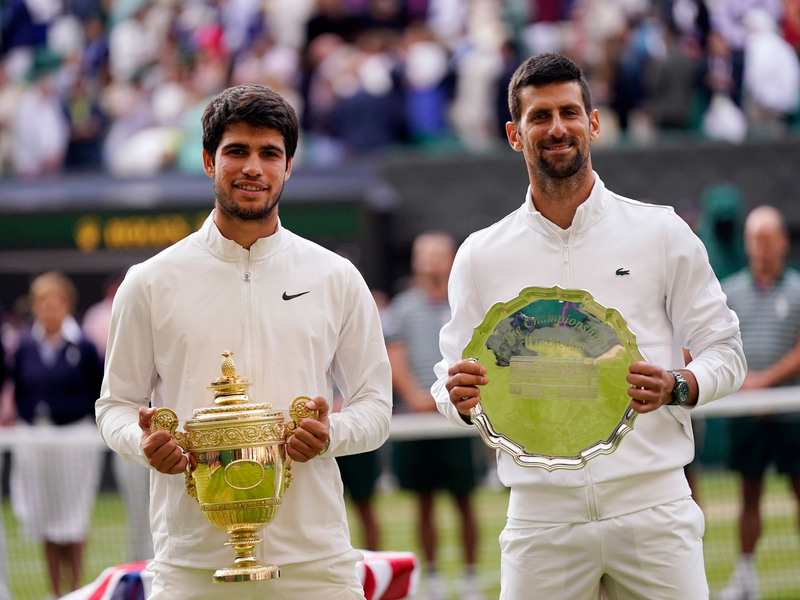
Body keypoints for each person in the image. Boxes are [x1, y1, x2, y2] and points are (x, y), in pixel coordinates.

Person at [433, 53, 746, 600]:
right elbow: (449, 379)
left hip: (653, 505)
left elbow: (726, 351)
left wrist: (678, 385)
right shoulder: (480, 255)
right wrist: (455, 398)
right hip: (541, 516)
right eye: (540, 117)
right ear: (514, 134)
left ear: (593, 123)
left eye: (569, 113)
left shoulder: (661, 231)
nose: (557, 128)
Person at [95, 83, 392, 599]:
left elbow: (375, 407)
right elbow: (115, 406)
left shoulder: (336, 276)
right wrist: (144, 445)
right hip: (192, 567)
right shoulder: (149, 281)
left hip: (315, 564)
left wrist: (329, 435)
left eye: (269, 153)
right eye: (237, 151)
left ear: (289, 166)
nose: (253, 167)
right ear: (209, 160)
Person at [387, 231, 482, 600]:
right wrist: (418, 395)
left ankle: (471, 577)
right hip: (417, 419)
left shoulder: (465, 303)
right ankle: (433, 577)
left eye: (435, 253)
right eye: (421, 253)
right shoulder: (402, 307)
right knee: (422, 501)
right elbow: (395, 353)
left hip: (458, 420)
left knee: (465, 499)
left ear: (451, 258)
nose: (428, 260)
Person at [718, 206, 800, 600]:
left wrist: (765, 383)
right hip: (746, 415)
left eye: (766, 240)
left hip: (790, 415)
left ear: (783, 243)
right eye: (753, 241)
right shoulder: (729, 291)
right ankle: (746, 578)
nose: (759, 249)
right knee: (749, 494)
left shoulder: (798, 290)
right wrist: (743, 386)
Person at [10, 272, 104, 597]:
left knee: (73, 516)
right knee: (46, 517)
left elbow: (98, 389)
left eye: (56, 301)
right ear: (35, 306)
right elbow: (19, 390)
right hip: (35, 440)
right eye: (43, 302)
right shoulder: (24, 346)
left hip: (75, 440)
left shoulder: (84, 346)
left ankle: (75, 589)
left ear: (67, 304)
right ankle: (55, 592)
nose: (49, 308)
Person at [83, 273, 154, 562]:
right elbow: (114, 397)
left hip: (178, 441)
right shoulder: (98, 319)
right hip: (137, 435)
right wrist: (135, 438)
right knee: (137, 515)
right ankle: (138, 569)